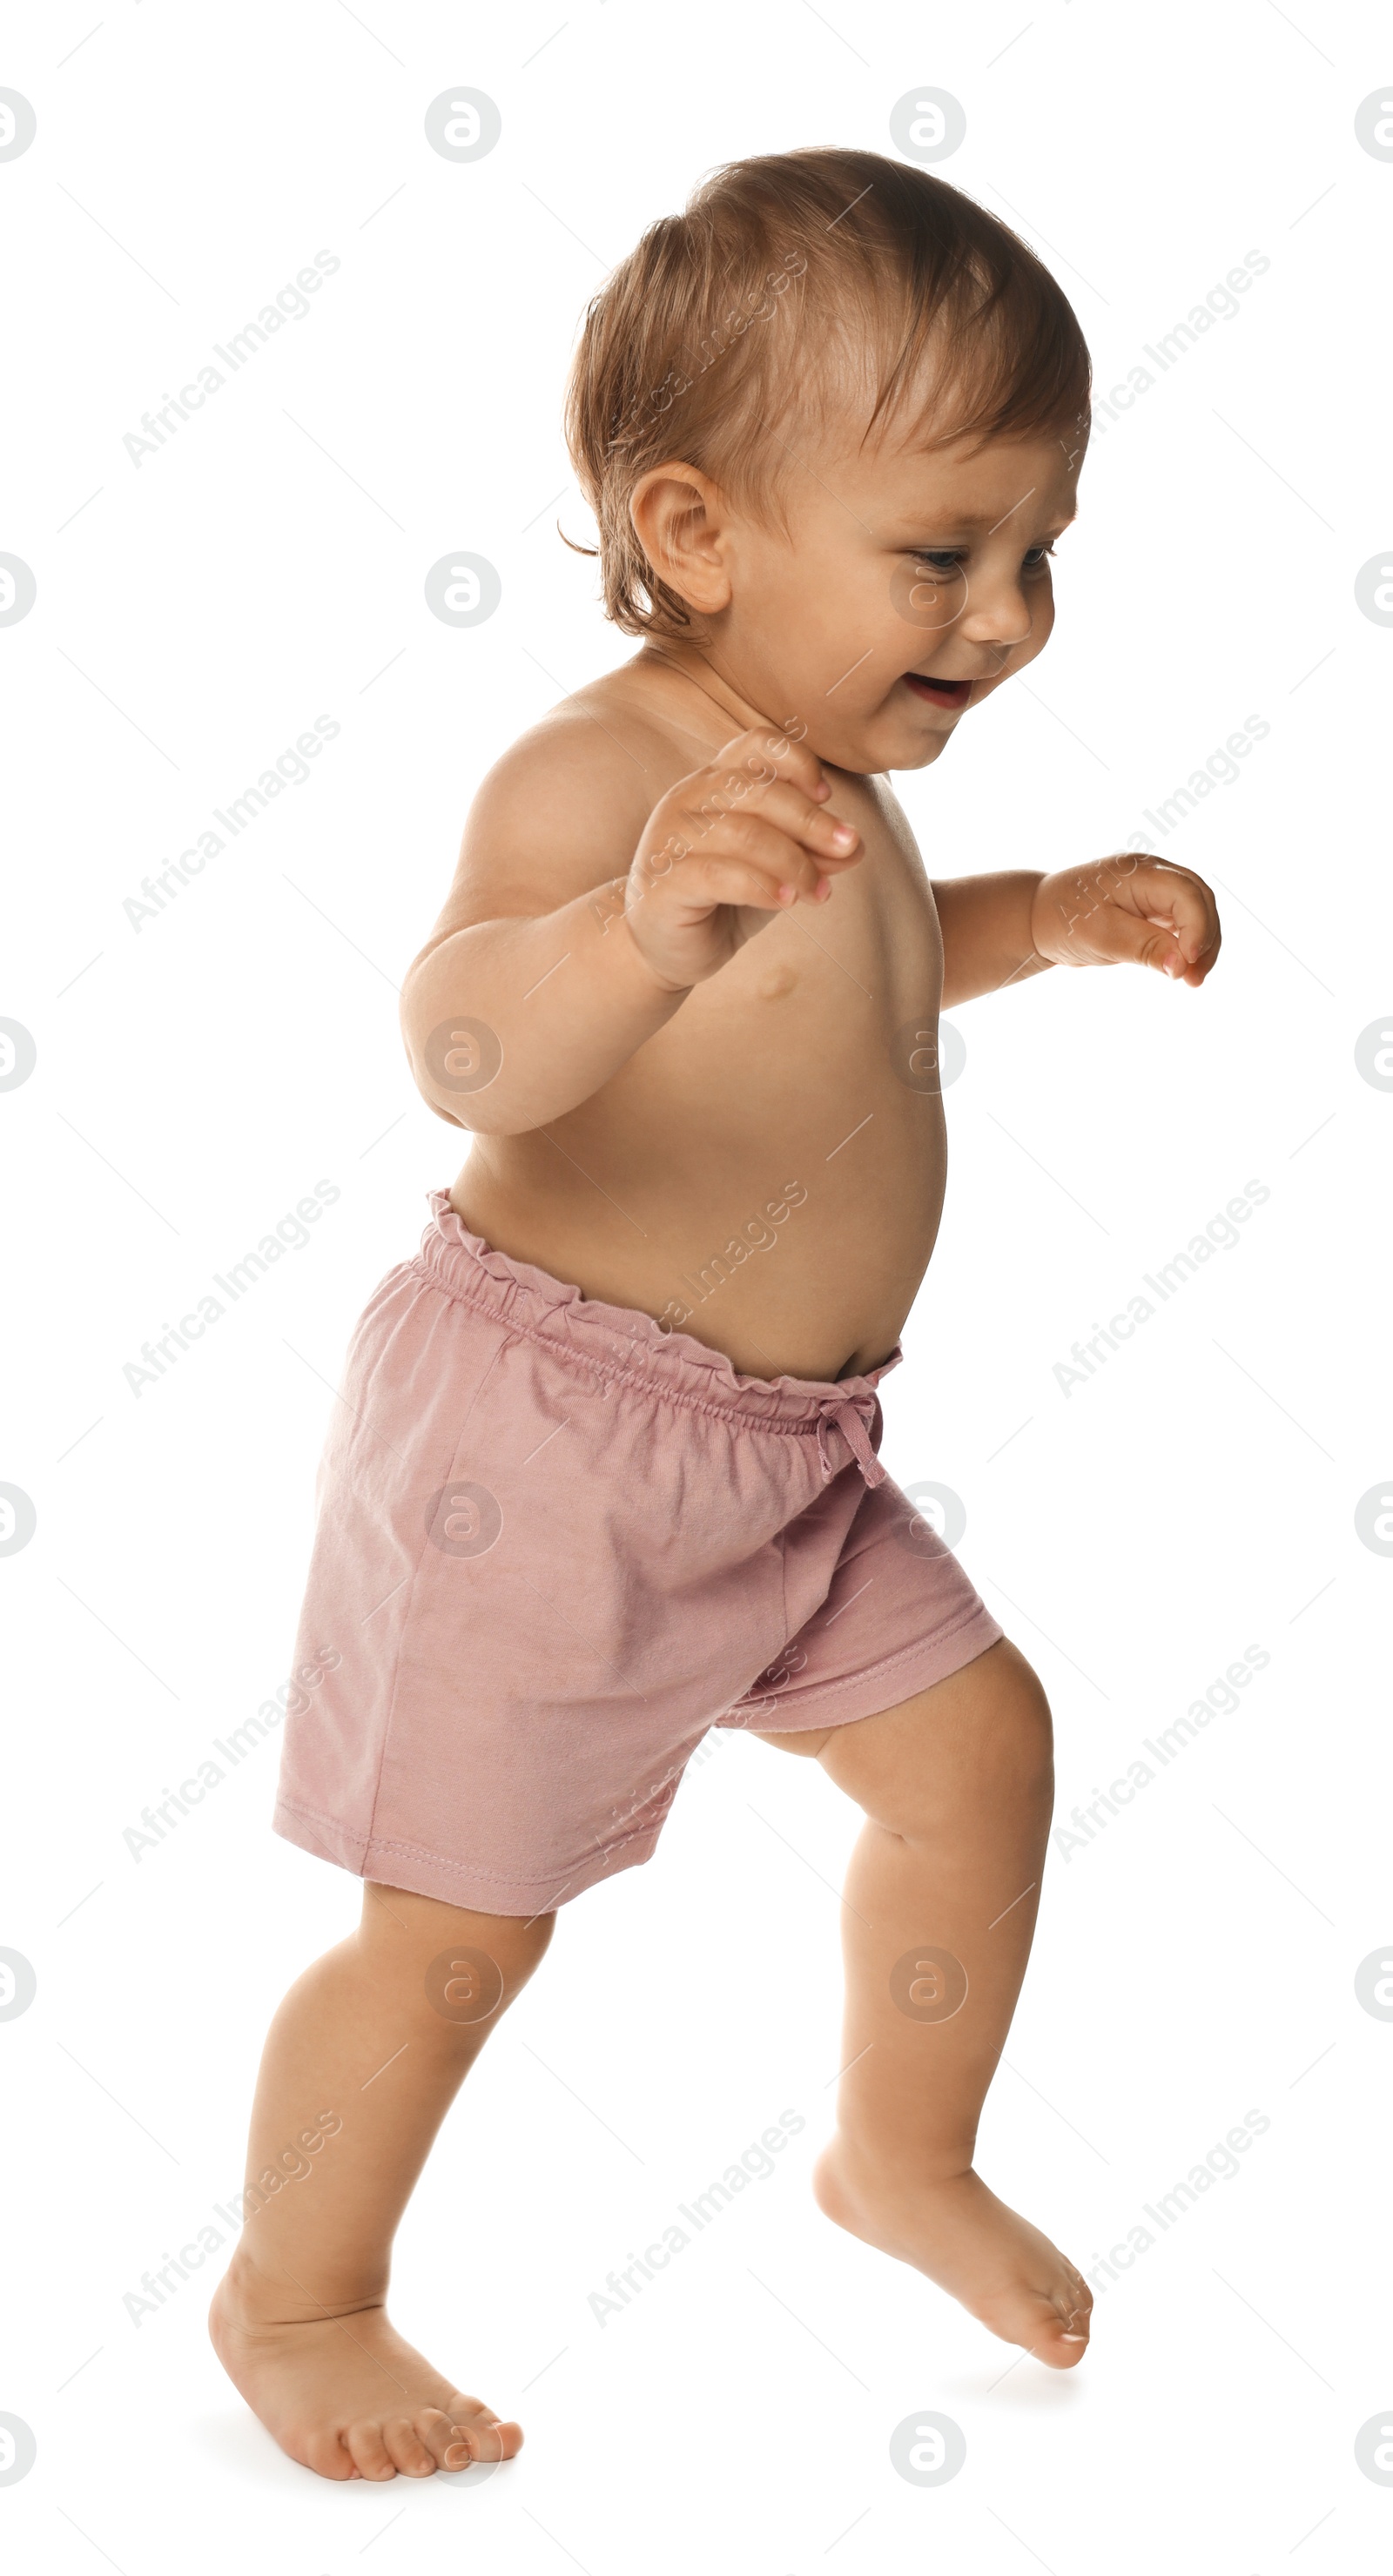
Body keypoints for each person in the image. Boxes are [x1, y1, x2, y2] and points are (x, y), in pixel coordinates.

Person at [211, 146, 1221, 2482]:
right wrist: (628, 939)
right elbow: (465, 1047)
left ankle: (903, 2157)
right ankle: (301, 2295)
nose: (1009, 614)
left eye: (1038, 551)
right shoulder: (608, 779)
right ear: (694, 532)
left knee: (979, 1758)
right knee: (457, 1933)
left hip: (793, 1463)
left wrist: (1042, 915)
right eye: (944, 555)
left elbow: (856, 977)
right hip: (545, 1457)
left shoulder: (830, 797)